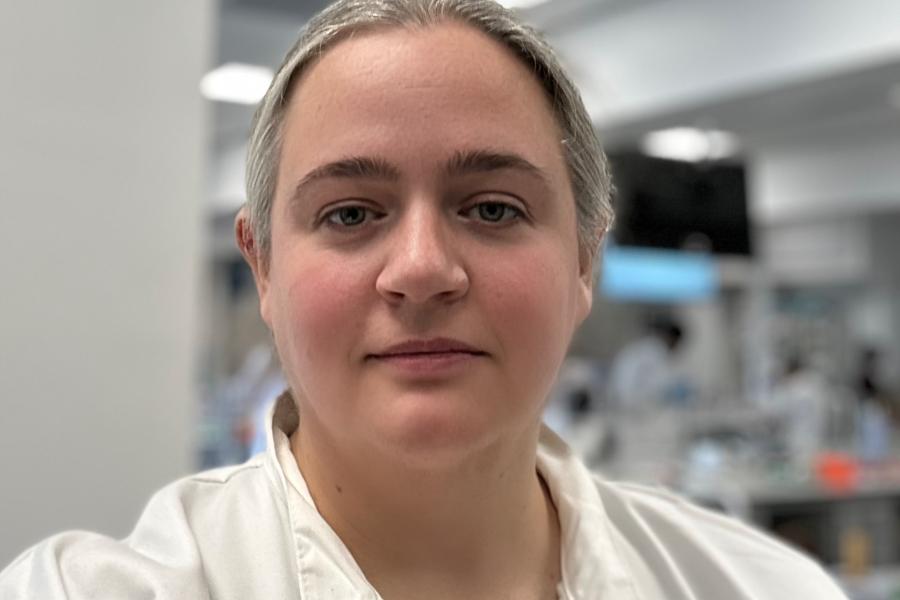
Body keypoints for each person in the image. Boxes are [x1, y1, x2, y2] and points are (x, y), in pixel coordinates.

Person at [0, 1, 848, 598]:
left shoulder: (760, 585)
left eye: (492, 208)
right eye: (349, 213)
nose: (421, 269)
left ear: (585, 257)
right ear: (262, 267)